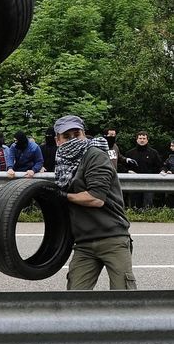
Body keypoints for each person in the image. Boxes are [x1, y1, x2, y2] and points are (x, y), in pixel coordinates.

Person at [53, 115, 136, 290]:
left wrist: (64, 196)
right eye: (67, 137)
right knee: (75, 300)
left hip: (112, 238)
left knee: (125, 300)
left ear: (84, 134)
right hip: (83, 242)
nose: (73, 140)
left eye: (77, 134)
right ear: (57, 140)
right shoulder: (62, 162)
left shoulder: (95, 155)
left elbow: (96, 198)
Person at [125, 131, 162, 209]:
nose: (142, 140)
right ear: (137, 140)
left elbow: (159, 166)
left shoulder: (153, 153)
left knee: (148, 204)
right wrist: (128, 171)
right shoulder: (130, 153)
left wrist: (161, 171)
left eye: (144, 138)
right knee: (134, 205)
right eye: (140, 138)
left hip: (149, 182)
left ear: (147, 140)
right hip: (134, 182)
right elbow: (123, 166)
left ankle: (148, 218)